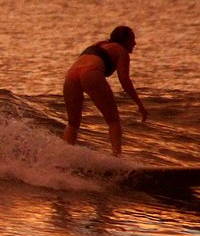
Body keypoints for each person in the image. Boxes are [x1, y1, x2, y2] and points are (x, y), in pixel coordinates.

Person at [63, 25, 148, 156]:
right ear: (124, 40)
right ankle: (117, 159)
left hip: (71, 75)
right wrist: (140, 104)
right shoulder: (121, 51)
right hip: (90, 73)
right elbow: (124, 80)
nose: (135, 43)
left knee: (73, 123)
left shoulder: (100, 44)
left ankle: (64, 157)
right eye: (132, 40)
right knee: (113, 120)